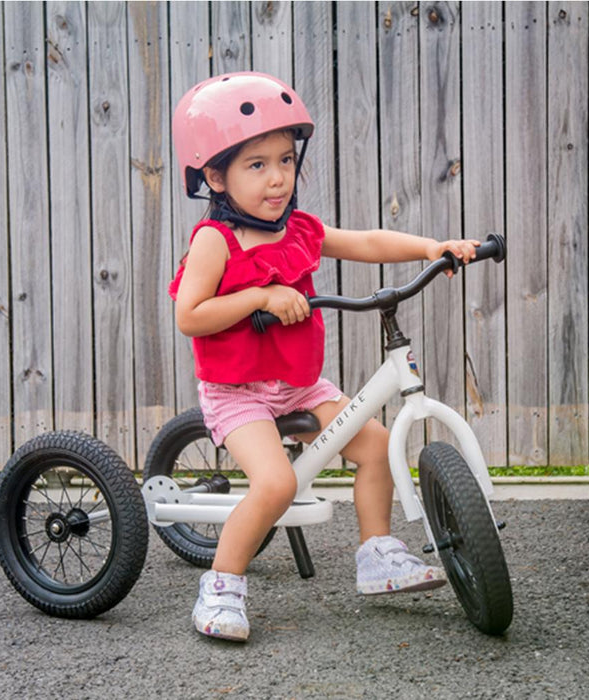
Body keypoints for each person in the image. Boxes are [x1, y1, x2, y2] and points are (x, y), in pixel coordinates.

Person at [170, 72, 479, 642]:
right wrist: (259, 296)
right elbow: (189, 315)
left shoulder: (300, 228)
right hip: (238, 392)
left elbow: (364, 242)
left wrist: (431, 246)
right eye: (256, 165)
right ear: (214, 175)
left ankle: (376, 554)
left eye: (285, 160)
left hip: (298, 385)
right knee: (276, 485)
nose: (278, 178)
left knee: (379, 447)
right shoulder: (216, 240)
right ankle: (221, 585)